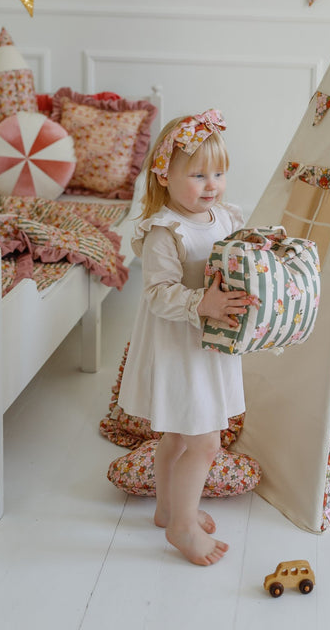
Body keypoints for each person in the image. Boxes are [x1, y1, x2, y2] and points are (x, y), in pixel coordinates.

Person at [117, 109, 249, 566]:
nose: (211, 184)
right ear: (165, 177)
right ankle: (182, 526)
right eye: (197, 174)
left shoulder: (225, 217)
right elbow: (156, 294)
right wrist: (201, 305)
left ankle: (168, 507)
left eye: (219, 173)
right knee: (206, 442)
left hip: (209, 346)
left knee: (176, 434)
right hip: (180, 347)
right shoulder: (165, 231)